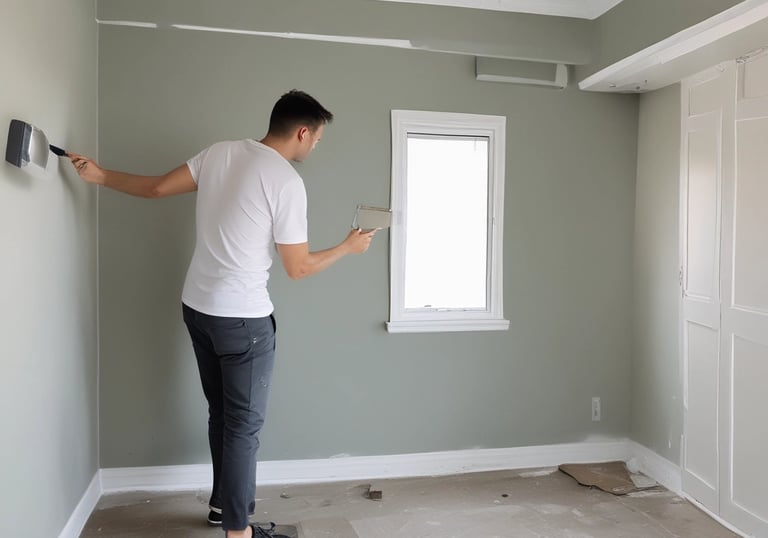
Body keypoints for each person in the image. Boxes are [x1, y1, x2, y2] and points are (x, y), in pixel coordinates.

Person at [69, 90, 377, 538]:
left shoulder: (220, 153)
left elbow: (155, 188)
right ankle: (239, 532)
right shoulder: (286, 181)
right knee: (243, 428)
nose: (315, 147)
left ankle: (221, 508)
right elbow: (299, 267)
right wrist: (348, 247)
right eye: (317, 139)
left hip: (198, 308)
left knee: (223, 416)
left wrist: (99, 176)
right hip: (244, 323)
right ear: (303, 132)